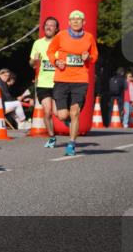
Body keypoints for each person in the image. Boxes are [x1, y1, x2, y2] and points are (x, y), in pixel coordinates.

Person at [46, 10, 98, 157]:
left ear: (84, 22)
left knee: (75, 112)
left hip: (80, 80)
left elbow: (94, 56)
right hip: (62, 79)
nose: (75, 21)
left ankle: (71, 144)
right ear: (69, 22)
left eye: (79, 19)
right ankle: (70, 124)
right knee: (62, 115)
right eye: (73, 19)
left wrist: (88, 57)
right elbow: (50, 51)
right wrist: (56, 61)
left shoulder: (89, 37)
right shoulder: (61, 35)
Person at [30, 17, 60, 147]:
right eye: (47, 25)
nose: (48, 27)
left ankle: (71, 121)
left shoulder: (60, 42)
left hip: (58, 81)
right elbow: (31, 63)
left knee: (58, 113)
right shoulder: (38, 43)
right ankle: (52, 137)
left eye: (52, 25)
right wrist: (34, 61)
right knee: (47, 112)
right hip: (43, 82)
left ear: (56, 29)